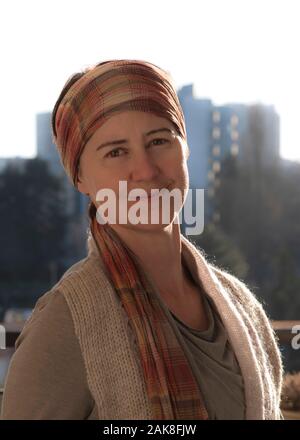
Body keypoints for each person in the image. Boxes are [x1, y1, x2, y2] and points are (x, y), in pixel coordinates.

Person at [0, 59, 283, 420]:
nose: (146, 170)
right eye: (116, 152)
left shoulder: (244, 310)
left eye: (159, 140)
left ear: (185, 150)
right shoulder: (64, 325)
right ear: (80, 178)